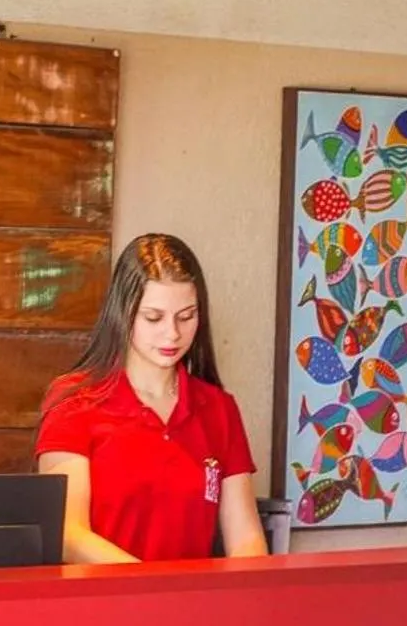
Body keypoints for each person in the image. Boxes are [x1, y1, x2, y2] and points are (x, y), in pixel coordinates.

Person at [35, 233, 268, 563]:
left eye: (186, 317)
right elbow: (69, 535)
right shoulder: (75, 402)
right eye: (153, 318)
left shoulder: (218, 408)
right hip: (104, 605)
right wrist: (151, 590)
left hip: (193, 607)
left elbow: (246, 539)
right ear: (123, 313)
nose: (172, 333)